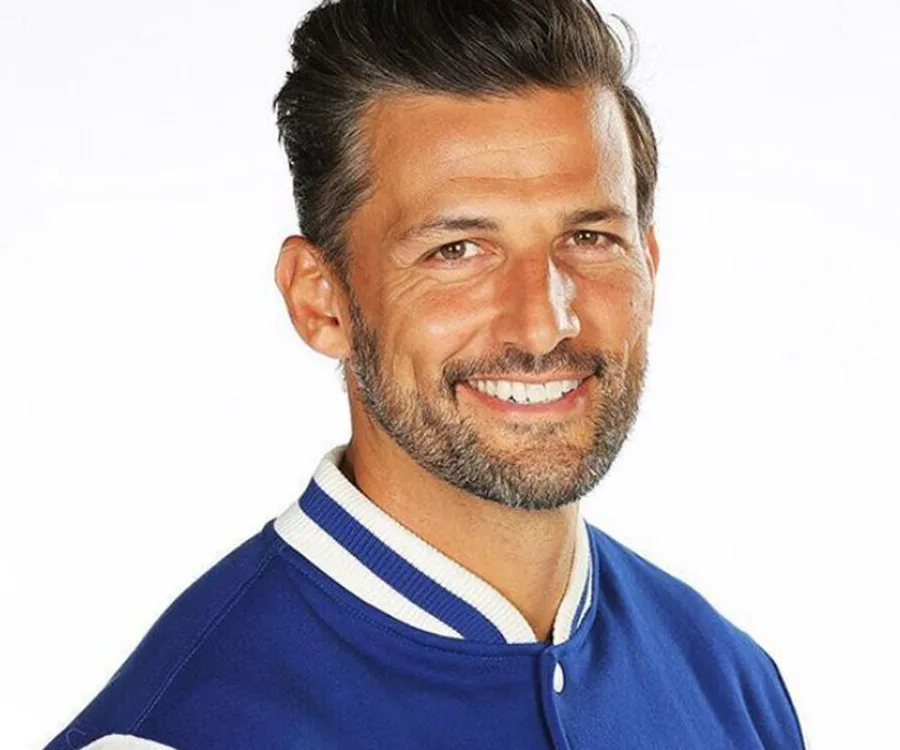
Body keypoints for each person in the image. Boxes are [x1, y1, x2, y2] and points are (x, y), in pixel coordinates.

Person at [44, 0, 806, 748]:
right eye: (457, 252)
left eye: (589, 237)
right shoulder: (185, 733)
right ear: (322, 302)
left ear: (651, 265)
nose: (545, 323)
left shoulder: (730, 680)